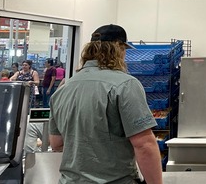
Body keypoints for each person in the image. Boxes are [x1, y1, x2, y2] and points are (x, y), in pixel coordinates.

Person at [48, 24, 162, 184]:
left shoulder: (63, 89)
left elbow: (56, 144)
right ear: (118, 49)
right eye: (124, 51)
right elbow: (144, 145)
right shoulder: (125, 85)